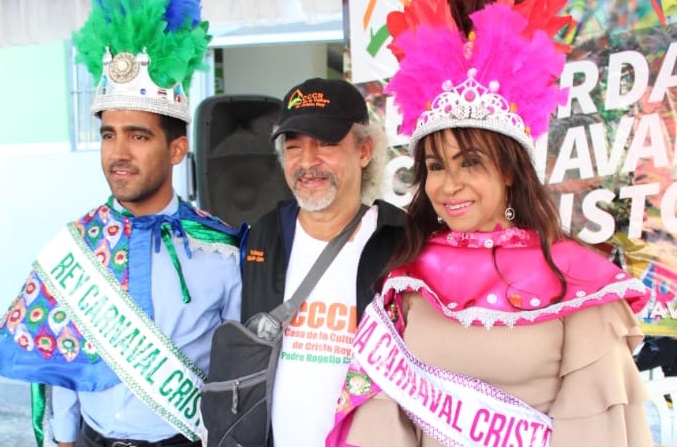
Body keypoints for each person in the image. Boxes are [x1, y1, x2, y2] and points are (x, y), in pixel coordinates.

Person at [327, 0, 654, 446]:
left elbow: (596, 427)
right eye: (436, 166)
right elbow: (383, 419)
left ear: (509, 171)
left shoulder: (578, 280)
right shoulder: (411, 276)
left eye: (471, 162)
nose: (449, 185)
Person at [0, 1, 246, 446]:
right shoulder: (75, 245)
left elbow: (237, 372)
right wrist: (64, 438)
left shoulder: (222, 251)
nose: (118, 153)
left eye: (138, 136)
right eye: (109, 135)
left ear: (176, 149)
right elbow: (64, 360)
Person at [240, 77, 407, 446]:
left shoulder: (401, 241)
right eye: (293, 146)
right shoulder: (265, 235)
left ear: (364, 151)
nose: (306, 162)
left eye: (326, 143)